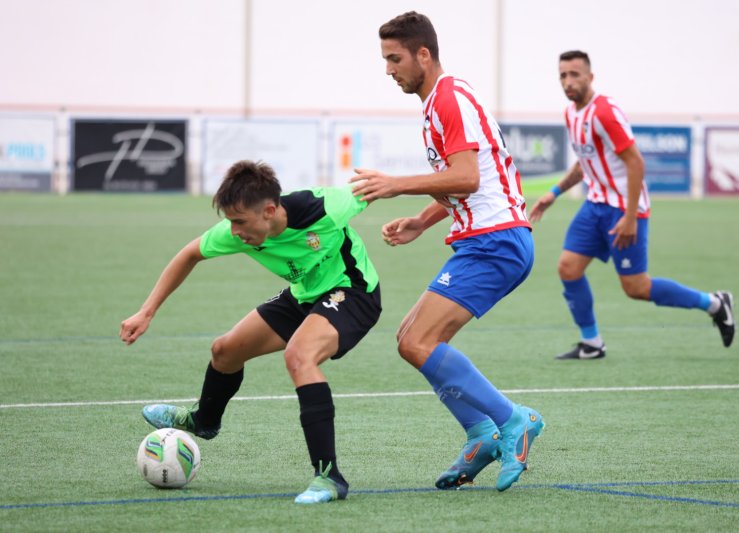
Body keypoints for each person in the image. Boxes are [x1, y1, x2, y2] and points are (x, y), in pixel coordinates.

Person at [349, 11, 544, 492]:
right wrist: (422, 219)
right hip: (489, 238)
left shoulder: (449, 99)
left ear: (423, 54)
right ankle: (481, 435)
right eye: (384, 60)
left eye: (394, 59)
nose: (389, 70)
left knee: (418, 342)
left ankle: (513, 419)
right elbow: (468, 184)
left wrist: (398, 187)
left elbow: (468, 177)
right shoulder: (439, 102)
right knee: (410, 338)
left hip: (495, 241)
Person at [119, 160, 381, 504]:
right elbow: (187, 255)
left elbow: (381, 188)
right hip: (305, 296)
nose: (235, 230)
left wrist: (421, 215)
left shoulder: (326, 206)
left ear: (270, 210)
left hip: (353, 292)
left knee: (299, 356)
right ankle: (203, 421)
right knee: (225, 351)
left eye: (240, 221)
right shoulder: (237, 231)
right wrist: (146, 311)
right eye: (229, 221)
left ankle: (329, 477)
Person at [528, 50, 735, 360]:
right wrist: (554, 192)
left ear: (590, 77)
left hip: (623, 209)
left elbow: (636, 163)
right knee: (568, 268)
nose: (568, 82)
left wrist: (630, 217)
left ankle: (716, 304)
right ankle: (592, 343)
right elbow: (586, 161)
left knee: (636, 287)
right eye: (563, 76)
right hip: (595, 204)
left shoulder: (605, 113)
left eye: (574, 74)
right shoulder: (571, 114)